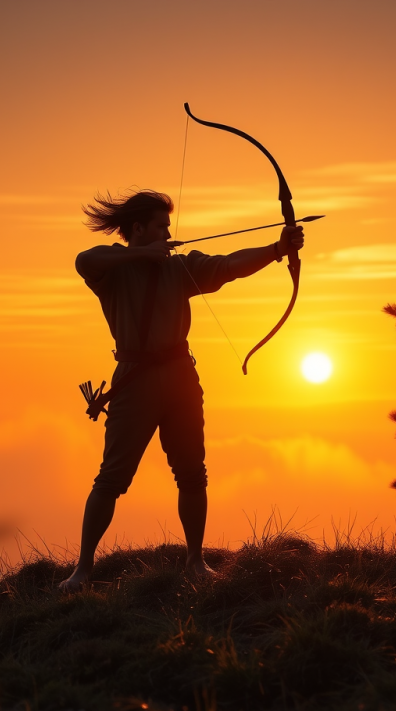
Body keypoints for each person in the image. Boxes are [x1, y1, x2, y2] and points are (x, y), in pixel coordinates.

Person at [59, 189, 303, 591]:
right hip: (134, 379)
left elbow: (230, 265)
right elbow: (84, 260)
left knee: (192, 473)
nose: (168, 235)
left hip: (180, 378)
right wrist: (141, 255)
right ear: (138, 229)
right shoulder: (112, 271)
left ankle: (195, 561)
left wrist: (278, 248)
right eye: (161, 228)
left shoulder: (180, 268)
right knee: (112, 478)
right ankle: (82, 570)